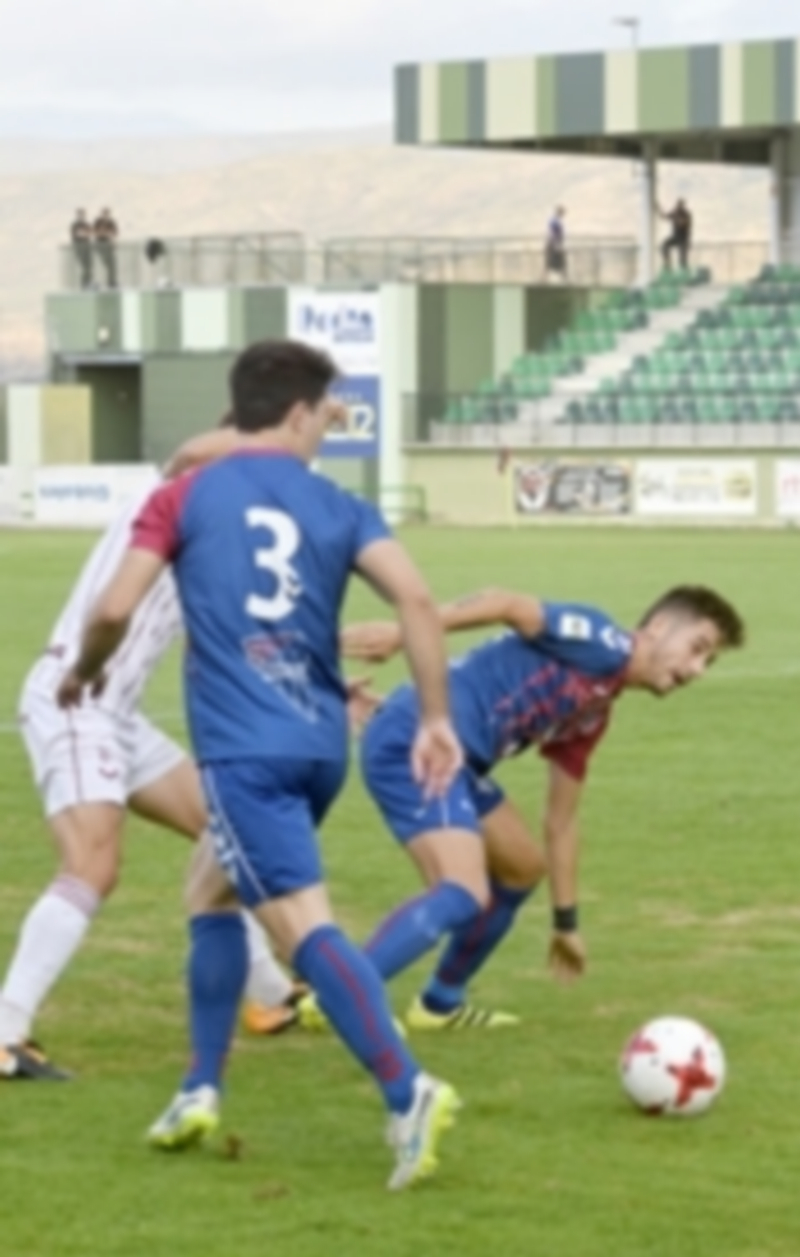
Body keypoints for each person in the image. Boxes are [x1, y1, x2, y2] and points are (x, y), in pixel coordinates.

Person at [56, 338, 465, 1191]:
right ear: (296, 412)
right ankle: (199, 1087)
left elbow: (116, 606)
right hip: (319, 747)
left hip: (245, 753)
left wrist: (86, 671)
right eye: (328, 414)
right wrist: (433, 717)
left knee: (299, 927)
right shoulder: (336, 503)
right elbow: (418, 600)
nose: (328, 430)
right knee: (208, 890)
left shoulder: (183, 496)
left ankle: (407, 1088)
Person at [0, 463, 313, 1081]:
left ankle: (270, 996)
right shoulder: (170, 494)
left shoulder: (217, 540)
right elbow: (206, 448)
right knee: (94, 863)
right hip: (74, 694)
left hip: (119, 713)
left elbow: (229, 642)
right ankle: (5, 1029)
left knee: (229, 825)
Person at [340, 585, 744, 1029]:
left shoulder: (594, 711)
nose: (698, 669)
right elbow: (507, 604)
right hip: (415, 740)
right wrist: (407, 633)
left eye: (709, 661)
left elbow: (562, 821)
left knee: (521, 867)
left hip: (458, 761)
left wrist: (566, 923)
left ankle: (439, 1004)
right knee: (461, 889)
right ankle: (338, 996)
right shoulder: (600, 639)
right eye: (697, 648)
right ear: (660, 627)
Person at [660, 198, 692, 272]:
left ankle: (683, 269)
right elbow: (664, 216)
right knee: (664, 245)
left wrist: (677, 219)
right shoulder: (674, 213)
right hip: (675, 237)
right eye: (677, 205)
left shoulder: (686, 214)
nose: (678, 207)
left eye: (680, 205)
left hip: (683, 239)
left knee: (682, 256)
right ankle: (667, 264)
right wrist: (658, 209)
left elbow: (684, 223)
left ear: (683, 206)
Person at [93, 208, 119, 288]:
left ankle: (111, 281)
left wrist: (110, 237)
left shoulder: (111, 222)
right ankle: (100, 282)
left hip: (109, 245)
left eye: (107, 214)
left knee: (112, 264)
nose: (106, 215)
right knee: (104, 263)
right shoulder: (98, 222)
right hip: (101, 245)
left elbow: (114, 233)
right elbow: (96, 232)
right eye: (104, 214)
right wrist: (105, 233)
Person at [70, 210, 93, 289]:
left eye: (83, 215)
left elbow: (90, 233)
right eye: (80, 215)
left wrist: (85, 233)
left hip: (87, 248)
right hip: (79, 248)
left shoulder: (86, 224)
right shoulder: (75, 225)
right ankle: (84, 284)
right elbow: (76, 235)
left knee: (89, 266)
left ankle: (88, 282)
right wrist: (83, 233)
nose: (81, 216)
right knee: (84, 267)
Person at [545, 206, 567, 281]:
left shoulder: (555, 220)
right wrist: (556, 244)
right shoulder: (555, 221)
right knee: (553, 260)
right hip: (554, 243)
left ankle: (563, 277)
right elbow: (554, 233)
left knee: (551, 261)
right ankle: (564, 278)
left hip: (554, 242)